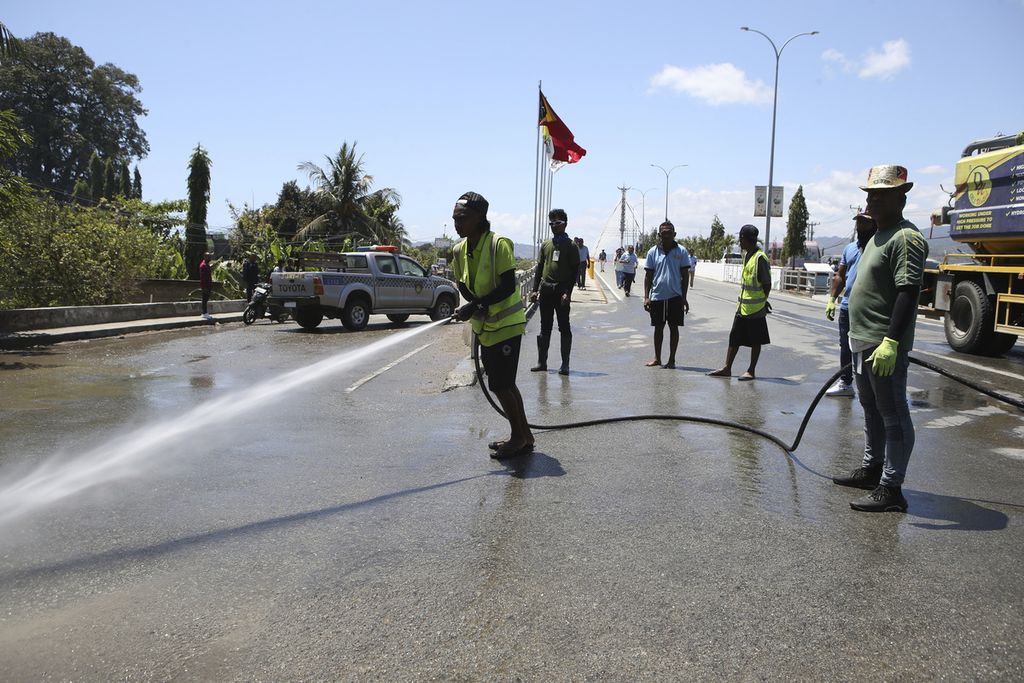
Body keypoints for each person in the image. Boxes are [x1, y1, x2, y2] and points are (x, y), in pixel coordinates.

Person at [832, 165, 928, 513]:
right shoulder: (876, 236)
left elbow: (908, 291)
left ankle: (892, 487)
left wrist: (891, 341)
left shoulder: (906, 238)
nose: (871, 200)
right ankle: (873, 469)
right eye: (870, 194)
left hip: (882, 343)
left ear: (900, 198)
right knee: (871, 409)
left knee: (893, 413)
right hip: (861, 340)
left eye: (880, 194)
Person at [450, 192, 533, 459]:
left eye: (462, 218)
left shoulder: (499, 245)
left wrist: (476, 305)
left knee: (501, 383)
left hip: (506, 325)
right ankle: (524, 435)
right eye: (454, 218)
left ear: (479, 218)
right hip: (485, 328)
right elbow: (462, 282)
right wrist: (471, 305)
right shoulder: (459, 249)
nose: (456, 223)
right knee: (504, 384)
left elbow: (509, 284)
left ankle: (519, 437)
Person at [824, 213, 877, 398]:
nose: (861, 226)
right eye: (859, 222)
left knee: (867, 347)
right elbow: (840, 275)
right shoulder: (850, 249)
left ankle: (871, 387)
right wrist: (832, 299)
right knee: (845, 346)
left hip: (868, 308)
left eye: (865, 222)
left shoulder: (878, 247)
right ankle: (846, 383)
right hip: (847, 306)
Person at [708, 224, 771, 381]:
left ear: (746, 239)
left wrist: (763, 300)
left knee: (756, 340)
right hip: (743, 307)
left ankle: (751, 370)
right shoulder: (748, 255)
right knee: (734, 337)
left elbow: (767, 284)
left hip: (755, 308)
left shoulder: (760, 258)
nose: (739, 242)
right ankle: (727, 368)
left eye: (740, 238)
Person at [529, 208, 579, 375]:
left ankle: (565, 364)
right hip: (546, 290)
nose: (554, 226)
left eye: (557, 223)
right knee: (545, 327)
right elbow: (540, 268)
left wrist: (568, 292)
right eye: (551, 223)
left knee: (564, 327)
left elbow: (574, 272)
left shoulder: (571, 246)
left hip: (562, 291)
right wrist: (535, 290)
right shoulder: (546, 245)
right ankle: (542, 362)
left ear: (565, 224)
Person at [643, 222, 690, 369]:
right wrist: (646, 296)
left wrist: (684, 297)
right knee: (658, 328)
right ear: (659, 235)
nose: (667, 235)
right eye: (664, 233)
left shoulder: (681, 251)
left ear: (674, 234)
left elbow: (685, 276)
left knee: (674, 328)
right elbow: (648, 276)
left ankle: (672, 360)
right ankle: (657, 358)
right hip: (657, 296)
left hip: (675, 297)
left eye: (670, 232)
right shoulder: (652, 252)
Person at [198, 252, 213, 320]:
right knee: (204, 299)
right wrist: (204, 287)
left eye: (210, 256)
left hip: (208, 285)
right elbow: (203, 278)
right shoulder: (203, 265)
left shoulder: (207, 265)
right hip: (205, 286)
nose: (210, 258)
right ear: (205, 257)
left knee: (205, 299)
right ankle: (205, 313)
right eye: (208, 257)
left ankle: (204, 312)